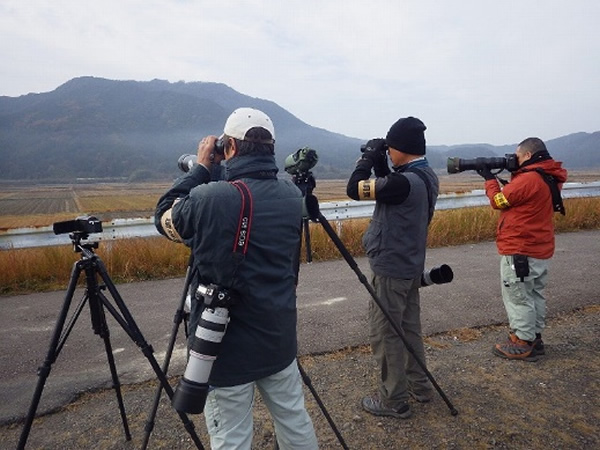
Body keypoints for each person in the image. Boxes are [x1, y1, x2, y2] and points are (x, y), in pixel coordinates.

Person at [155, 107, 318, 449]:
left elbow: (164, 216)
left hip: (225, 348)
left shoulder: (212, 198)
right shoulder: (292, 195)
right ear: (271, 148)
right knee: (294, 419)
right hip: (278, 336)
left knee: (231, 437)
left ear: (229, 148)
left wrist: (201, 168)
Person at [346, 116, 439, 419]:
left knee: (386, 332)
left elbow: (353, 188)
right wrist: (380, 163)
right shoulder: (425, 176)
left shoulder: (402, 183)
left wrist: (367, 158)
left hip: (391, 268)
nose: (387, 152)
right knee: (410, 329)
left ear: (401, 148)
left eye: (390, 147)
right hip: (411, 264)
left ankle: (393, 399)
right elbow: (391, 186)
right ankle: (420, 386)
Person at [477, 137, 568, 361]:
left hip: (520, 247)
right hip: (538, 247)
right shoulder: (547, 176)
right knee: (533, 293)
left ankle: (523, 342)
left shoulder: (529, 179)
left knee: (518, 295)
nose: (513, 160)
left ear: (527, 155)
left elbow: (498, 200)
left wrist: (489, 178)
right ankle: (534, 337)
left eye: (517, 156)